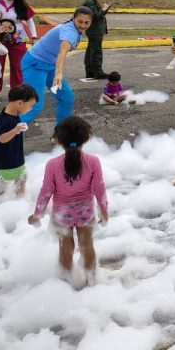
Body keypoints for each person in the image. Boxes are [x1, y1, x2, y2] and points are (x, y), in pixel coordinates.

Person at [28, 116, 108, 286]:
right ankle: (92, 280)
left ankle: (66, 280)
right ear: (88, 137)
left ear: (58, 140)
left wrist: (37, 214)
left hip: (62, 213)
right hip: (85, 212)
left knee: (65, 244)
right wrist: (104, 210)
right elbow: (99, 188)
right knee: (87, 243)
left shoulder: (52, 164)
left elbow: (46, 192)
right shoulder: (93, 162)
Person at [21, 7, 93, 126]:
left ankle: (61, 132)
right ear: (73, 18)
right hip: (35, 64)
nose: (83, 25)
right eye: (80, 21)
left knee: (66, 97)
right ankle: (6, 133)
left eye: (87, 22)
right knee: (34, 104)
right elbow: (62, 51)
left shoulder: (74, 29)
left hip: (50, 64)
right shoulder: (69, 31)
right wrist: (58, 74)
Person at [0, 84, 37, 196]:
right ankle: (19, 199)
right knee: (22, 177)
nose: (31, 109)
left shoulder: (7, 111)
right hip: (8, 160)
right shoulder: (8, 120)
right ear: (20, 103)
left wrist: (16, 129)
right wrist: (15, 130)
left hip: (0, 158)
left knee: (5, 178)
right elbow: (1, 139)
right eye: (30, 106)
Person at [0, 0, 38, 92]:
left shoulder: (22, 5)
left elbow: (30, 22)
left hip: (18, 41)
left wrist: (34, 37)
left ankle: (16, 93)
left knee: (17, 67)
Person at [82, 0, 111, 79]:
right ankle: (97, 72)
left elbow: (97, 14)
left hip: (94, 30)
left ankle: (90, 71)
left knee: (91, 50)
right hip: (95, 30)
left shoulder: (92, 0)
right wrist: (103, 9)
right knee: (96, 51)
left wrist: (105, 9)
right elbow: (94, 16)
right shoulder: (90, 2)